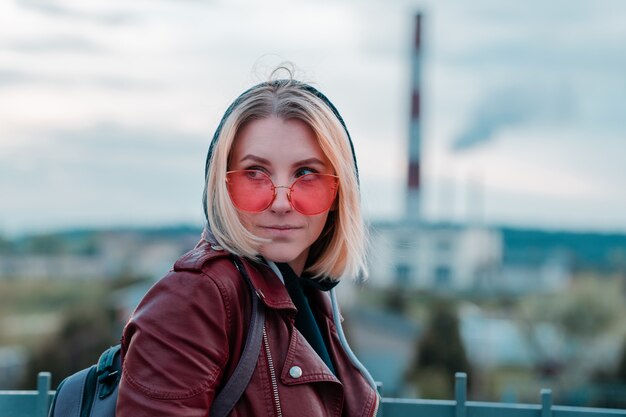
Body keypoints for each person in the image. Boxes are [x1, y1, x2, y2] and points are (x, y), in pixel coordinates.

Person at [115, 72, 379, 416]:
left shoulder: (313, 301)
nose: (281, 202)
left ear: (339, 191)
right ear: (222, 187)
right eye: (255, 172)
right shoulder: (195, 299)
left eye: (306, 174)